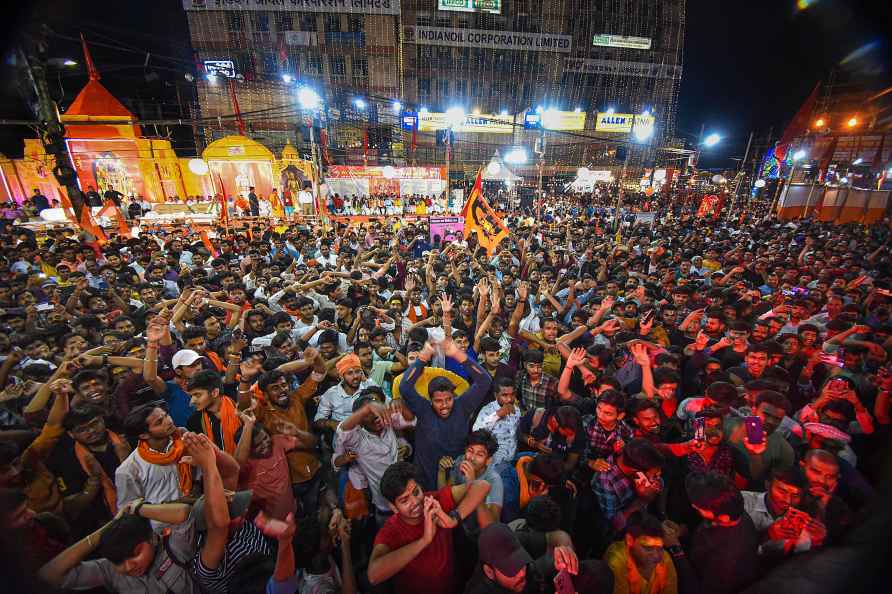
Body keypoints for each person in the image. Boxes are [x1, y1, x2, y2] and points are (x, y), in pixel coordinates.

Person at [367, 461, 491, 594]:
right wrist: (424, 540)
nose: (415, 502)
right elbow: (373, 576)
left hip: (451, 586)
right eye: (405, 500)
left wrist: (454, 519)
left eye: (416, 492)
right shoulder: (390, 531)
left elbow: (482, 485)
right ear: (393, 507)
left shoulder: (434, 501)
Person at [397, 338, 493, 490]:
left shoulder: (462, 406)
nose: (444, 406)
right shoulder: (424, 409)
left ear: (454, 395)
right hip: (424, 478)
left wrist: (456, 354)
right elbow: (405, 386)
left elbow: (485, 380)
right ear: (430, 400)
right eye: (438, 401)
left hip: (455, 479)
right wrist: (423, 357)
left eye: (448, 399)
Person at [604, 513, 678, 594]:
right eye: (648, 548)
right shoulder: (617, 561)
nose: (656, 556)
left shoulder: (665, 559)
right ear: (630, 541)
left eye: (660, 548)